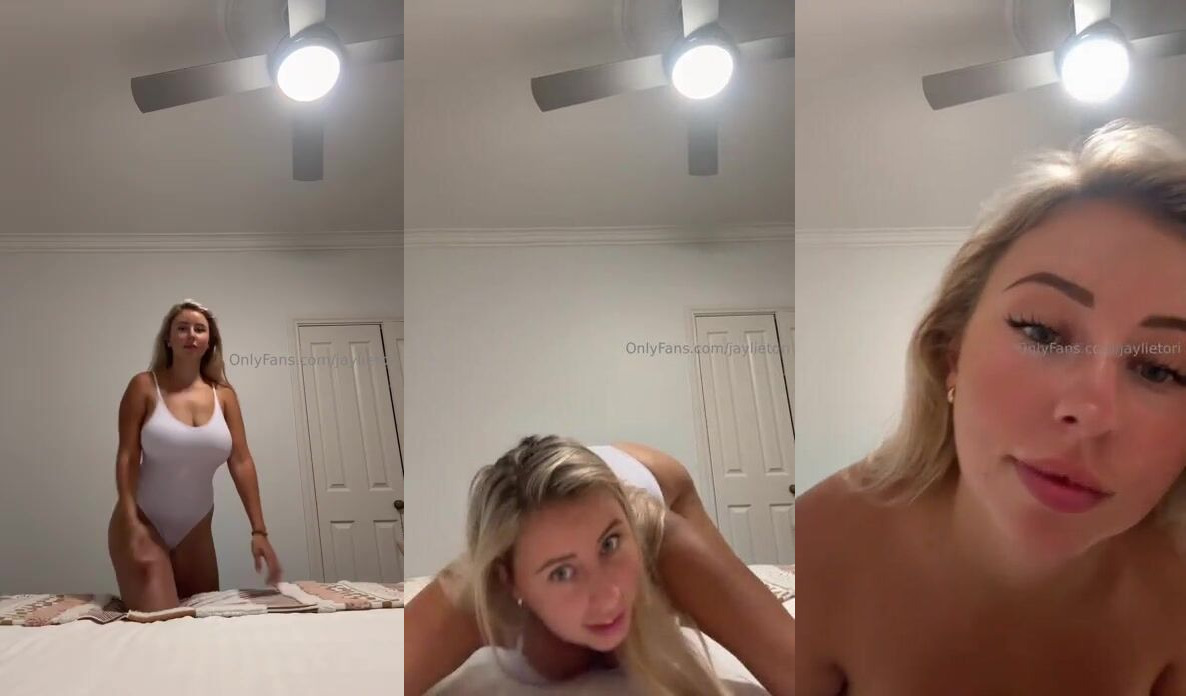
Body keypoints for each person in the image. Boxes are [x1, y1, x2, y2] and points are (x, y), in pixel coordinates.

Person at [797, 120, 1186, 695]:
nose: (1090, 410)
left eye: (1160, 369)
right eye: (1043, 332)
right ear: (950, 353)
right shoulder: (821, 542)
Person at [405, 435, 794, 695]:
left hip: (650, 476)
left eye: (609, 546)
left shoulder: (664, 543)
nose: (608, 596)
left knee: (710, 599)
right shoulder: (477, 593)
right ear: (513, 583)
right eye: (562, 572)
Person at [106, 299, 283, 612]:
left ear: (210, 340)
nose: (191, 335)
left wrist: (259, 530)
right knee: (163, 619)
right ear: (168, 338)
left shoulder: (224, 395)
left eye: (199, 329)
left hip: (195, 529)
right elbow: (128, 457)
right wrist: (131, 519)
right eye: (182, 328)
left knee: (202, 620)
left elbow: (241, 461)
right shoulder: (144, 386)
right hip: (141, 519)